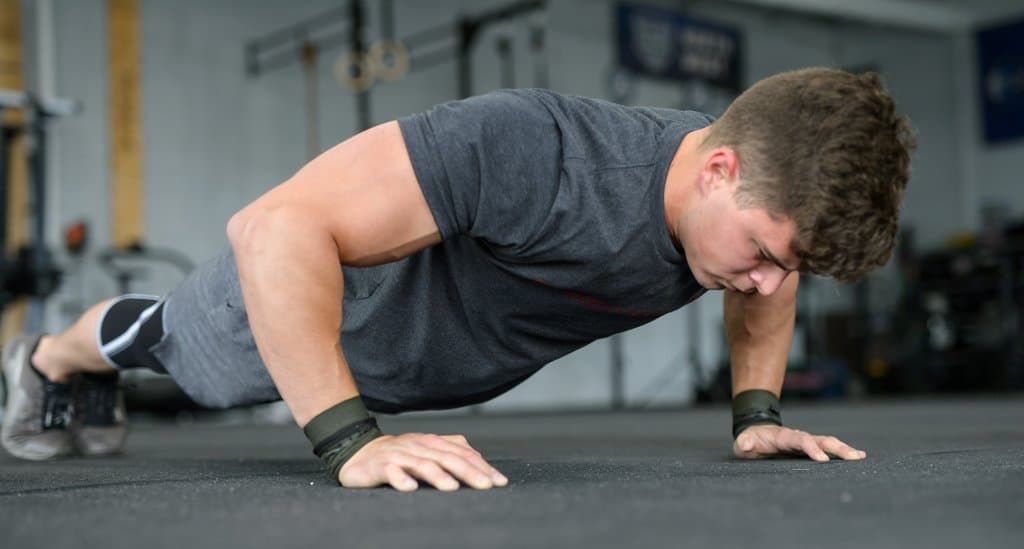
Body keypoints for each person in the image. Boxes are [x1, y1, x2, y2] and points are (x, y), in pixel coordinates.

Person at [1, 67, 915, 492]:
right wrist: (348, 441)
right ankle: (47, 362)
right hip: (315, 322)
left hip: (417, 363)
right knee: (176, 347)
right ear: (717, 169)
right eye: (760, 251)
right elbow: (273, 226)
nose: (762, 284)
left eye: (781, 264)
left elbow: (777, 279)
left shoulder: (743, 214)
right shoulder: (535, 148)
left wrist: (757, 415)